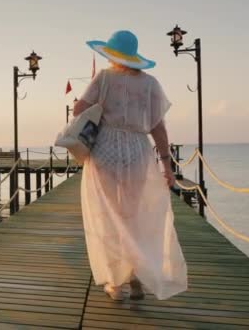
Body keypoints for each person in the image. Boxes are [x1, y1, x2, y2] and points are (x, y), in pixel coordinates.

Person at [73, 30, 187, 301]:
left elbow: (79, 110)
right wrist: (167, 167)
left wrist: (101, 109)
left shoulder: (103, 78)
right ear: (135, 57)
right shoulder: (150, 84)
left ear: (112, 54)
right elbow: (158, 128)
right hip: (137, 150)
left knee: (108, 216)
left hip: (106, 149)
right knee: (133, 216)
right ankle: (136, 275)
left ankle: (116, 283)